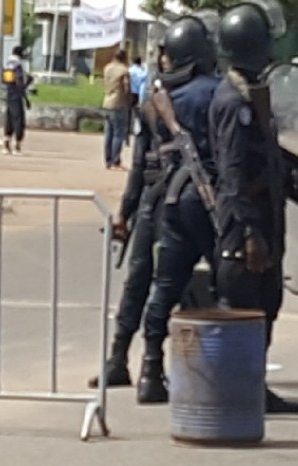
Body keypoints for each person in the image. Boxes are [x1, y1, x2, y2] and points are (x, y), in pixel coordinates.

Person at [209, 0, 298, 414]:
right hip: (245, 225)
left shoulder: (251, 95)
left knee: (265, 307)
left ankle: (254, 387)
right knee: (245, 308)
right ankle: (235, 394)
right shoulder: (234, 102)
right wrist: (249, 231)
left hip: (264, 217)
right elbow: (231, 173)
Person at [134, 15, 222, 404]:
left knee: (165, 287)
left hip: (174, 199)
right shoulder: (221, 93)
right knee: (231, 286)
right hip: (213, 200)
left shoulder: (164, 101)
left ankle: (150, 370)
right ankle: (228, 372)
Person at [88, 46, 174, 389]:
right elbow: (140, 163)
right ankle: (125, 359)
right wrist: (125, 212)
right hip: (159, 202)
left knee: (155, 282)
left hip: (169, 202)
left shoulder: (176, 98)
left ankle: (147, 363)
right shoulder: (158, 102)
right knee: (143, 280)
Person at [103, 49, 131, 170]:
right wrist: (130, 99)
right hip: (119, 103)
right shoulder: (124, 70)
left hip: (107, 101)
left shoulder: (107, 68)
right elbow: (126, 87)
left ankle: (108, 160)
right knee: (118, 134)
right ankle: (116, 160)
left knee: (108, 133)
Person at [2, 46, 30, 155]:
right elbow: (19, 81)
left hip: (9, 94)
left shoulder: (7, 64)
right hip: (17, 95)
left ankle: (6, 145)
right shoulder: (17, 65)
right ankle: (16, 146)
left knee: (9, 119)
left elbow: (4, 80)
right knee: (19, 120)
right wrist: (26, 86)